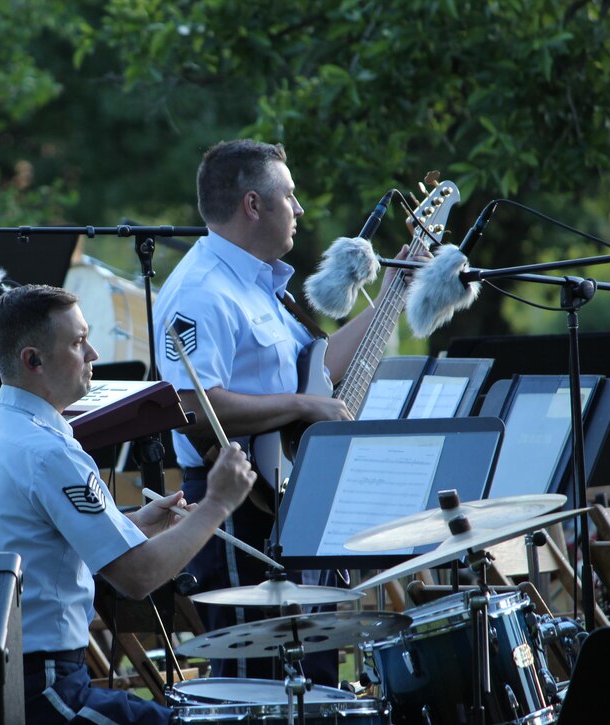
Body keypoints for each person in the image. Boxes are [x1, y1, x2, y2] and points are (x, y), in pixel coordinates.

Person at [153, 139, 425, 685]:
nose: (299, 210)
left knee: (312, 674)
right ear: (254, 204)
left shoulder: (259, 282)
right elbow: (192, 408)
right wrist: (302, 405)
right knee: (260, 682)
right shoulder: (202, 290)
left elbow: (320, 368)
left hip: (286, 493)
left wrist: (397, 283)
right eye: (290, 196)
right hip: (237, 502)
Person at [0, 284, 256, 725]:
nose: (92, 353)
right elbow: (138, 577)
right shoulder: (48, 451)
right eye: (77, 342)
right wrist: (219, 502)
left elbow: (37, 538)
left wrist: (132, 524)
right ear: (32, 360)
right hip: (46, 686)